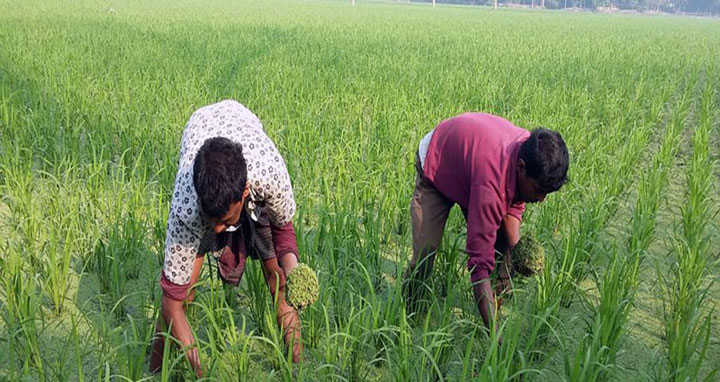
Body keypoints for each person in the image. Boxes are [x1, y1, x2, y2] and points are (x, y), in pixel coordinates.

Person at [149, 100, 303, 376]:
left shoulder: (270, 177)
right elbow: (171, 300)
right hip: (200, 131)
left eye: (225, 220)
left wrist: (294, 272)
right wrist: (202, 372)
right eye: (212, 221)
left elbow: (283, 231)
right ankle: (154, 371)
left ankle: (297, 367)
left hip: (245, 133)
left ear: (244, 192)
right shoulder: (187, 203)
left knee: (277, 278)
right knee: (183, 292)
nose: (218, 230)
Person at [404, 112, 569, 331]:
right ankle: (409, 316)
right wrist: (494, 339)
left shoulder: (528, 150)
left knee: (503, 249)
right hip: (438, 161)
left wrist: (517, 251)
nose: (540, 199)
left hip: (470, 163)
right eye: (538, 191)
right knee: (425, 254)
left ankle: (495, 304)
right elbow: (479, 264)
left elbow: (515, 200)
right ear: (521, 168)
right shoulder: (491, 185)